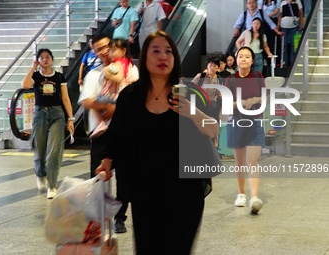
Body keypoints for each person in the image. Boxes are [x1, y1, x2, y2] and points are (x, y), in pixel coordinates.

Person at [96, 31, 219, 254]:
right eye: (156, 51)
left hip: (184, 192)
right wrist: (106, 161)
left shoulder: (190, 92)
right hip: (145, 190)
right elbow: (117, 135)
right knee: (147, 248)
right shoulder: (131, 96)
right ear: (144, 58)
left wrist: (191, 112)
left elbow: (213, 128)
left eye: (168, 52)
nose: (163, 56)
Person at [78, 34, 138, 234]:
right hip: (101, 131)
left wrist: (117, 108)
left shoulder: (131, 69)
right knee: (98, 177)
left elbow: (135, 95)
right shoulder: (93, 74)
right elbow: (87, 101)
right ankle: (96, 217)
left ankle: (120, 218)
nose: (105, 51)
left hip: (126, 132)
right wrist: (109, 107)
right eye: (100, 48)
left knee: (126, 179)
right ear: (93, 51)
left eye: (108, 47)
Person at [21, 48, 75, 199]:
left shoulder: (59, 77)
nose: (45, 60)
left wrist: (70, 118)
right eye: (42, 58)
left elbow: (65, 98)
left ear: (52, 59)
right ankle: (40, 174)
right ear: (38, 61)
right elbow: (25, 85)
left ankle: (52, 185)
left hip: (57, 114)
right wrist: (33, 68)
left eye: (48, 57)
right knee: (39, 151)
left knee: (53, 152)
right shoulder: (36, 76)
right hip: (39, 114)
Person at [224, 46, 265, 214]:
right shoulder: (230, 79)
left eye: (247, 57)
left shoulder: (257, 76)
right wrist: (240, 103)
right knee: (239, 162)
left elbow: (264, 97)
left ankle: (254, 197)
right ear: (236, 59)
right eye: (241, 56)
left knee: (253, 161)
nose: (243, 59)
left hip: (255, 121)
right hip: (237, 122)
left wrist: (255, 99)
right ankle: (241, 194)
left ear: (252, 61)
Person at [89, 38, 134, 139]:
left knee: (96, 101)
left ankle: (101, 123)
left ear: (123, 51)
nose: (110, 53)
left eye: (113, 50)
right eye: (110, 50)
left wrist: (106, 72)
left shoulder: (118, 63)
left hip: (115, 97)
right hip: (122, 98)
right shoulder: (127, 63)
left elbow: (119, 78)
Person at [277, 0, 304, 66]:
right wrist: (278, 26)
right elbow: (280, 15)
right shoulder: (283, 3)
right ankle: (284, 62)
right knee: (284, 45)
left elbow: (300, 13)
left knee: (294, 45)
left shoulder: (297, 1)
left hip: (294, 26)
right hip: (284, 26)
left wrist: (301, 24)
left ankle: (293, 62)